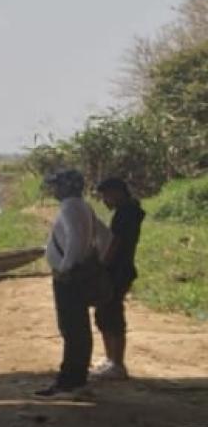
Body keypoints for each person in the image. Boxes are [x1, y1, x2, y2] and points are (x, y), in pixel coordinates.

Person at [36, 169, 107, 397]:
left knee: (72, 329)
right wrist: (96, 260)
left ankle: (70, 380)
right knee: (79, 329)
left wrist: (67, 268)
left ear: (66, 187)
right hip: (78, 274)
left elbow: (75, 240)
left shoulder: (69, 207)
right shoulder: (83, 206)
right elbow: (105, 237)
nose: (54, 189)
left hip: (69, 278)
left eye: (57, 185)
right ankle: (76, 378)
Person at [92, 177, 145, 380]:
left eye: (106, 195)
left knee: (112, 313)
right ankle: (110, 359)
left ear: (117, 192)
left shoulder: (126, 214)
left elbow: (116, 244)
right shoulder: (128, 212)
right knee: (105, 313)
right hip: (119, 269)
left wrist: (103, 263)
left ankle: (117, 363)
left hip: (118, 270)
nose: (104, 200)